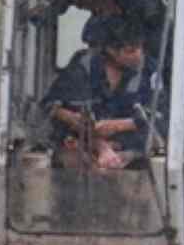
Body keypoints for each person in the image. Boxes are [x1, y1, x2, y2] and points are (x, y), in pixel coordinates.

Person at [43, 19, 155, 169]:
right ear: (111, 50)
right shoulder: (81, 68)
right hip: (81, 147)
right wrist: (72, 118)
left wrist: (121, 125)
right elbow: (50, 107)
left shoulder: (149, 71)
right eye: (130, 51)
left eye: (140, 48)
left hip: (130, 152)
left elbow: (160, 116)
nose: (138, 56)